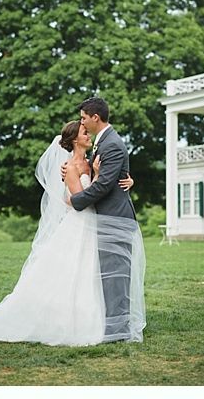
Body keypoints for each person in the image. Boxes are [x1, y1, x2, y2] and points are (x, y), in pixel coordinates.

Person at [0, 120, 142, 345]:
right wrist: (98, 177)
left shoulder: (90, 162)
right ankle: (67, 320)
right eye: (83, 133)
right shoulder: (70, 167)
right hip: (80, 224)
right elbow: (77, 199)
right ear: (74, 140)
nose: (88, 134)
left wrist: (127, 179)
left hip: (93, 224)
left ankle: (100, 319)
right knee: (72, 271)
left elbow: (108, 181)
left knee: (91, 273)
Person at [69, 97, 146, 341]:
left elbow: (103, 185)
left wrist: (76, 201)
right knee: (108, 274)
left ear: (95, 117)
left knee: (116, 275)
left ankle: (118, 330)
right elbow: (109, 178)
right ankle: (110, 324)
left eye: (83, 117)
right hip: (106, 218)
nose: (82, 121)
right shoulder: (102, 144)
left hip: (115, 218)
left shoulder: (111, 144)